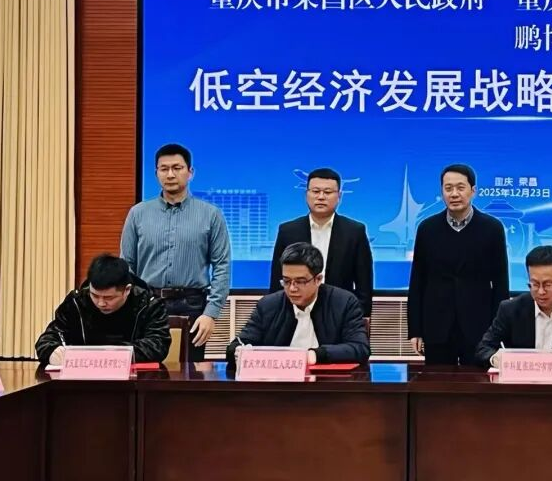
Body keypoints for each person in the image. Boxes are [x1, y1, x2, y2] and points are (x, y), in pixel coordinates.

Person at [121, 143, 231, 362]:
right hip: (147, 303)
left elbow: (222, 266)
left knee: (190, 373)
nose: (170, 174)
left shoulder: (211, 215)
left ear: (190, 172)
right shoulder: (138, 213)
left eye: (177, 168)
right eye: (164, 169)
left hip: (192, 305)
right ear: (156, 173)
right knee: (145, 368)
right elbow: (127, 265)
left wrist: (211, 313)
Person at [407, 164, 510, 365]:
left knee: (477, 382)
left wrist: (498, 331)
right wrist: (415, 329)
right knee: (436, 381)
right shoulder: (427, 229)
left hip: (478, 326)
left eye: (460, 187)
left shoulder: (492, 228)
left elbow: (500, 284)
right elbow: (417, 280)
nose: (454, 194)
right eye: (448, 188)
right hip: (436, 325)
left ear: (473, 190)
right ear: (442, 192)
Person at [227, 242, 369, 365]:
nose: (292, 288)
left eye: (300, 281)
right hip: (280, 382)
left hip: (328, 383)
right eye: (286, 281)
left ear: (318, 279)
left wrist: (315, 355)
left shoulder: (343, 303)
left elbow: (360, 348)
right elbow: (239, 343)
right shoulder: (269, 305)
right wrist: (239, 351)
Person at [268, 167, 374, 319]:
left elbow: (364, 281)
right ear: (306, 194)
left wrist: (362, 315)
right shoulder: (288, 231)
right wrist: (275, 314)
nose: (321, 197)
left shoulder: (354, 231)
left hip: (340, 313)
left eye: (328, 192)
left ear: (339, 196)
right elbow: (277, 278)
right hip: (295, 312)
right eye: (316, 191)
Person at [35, 254, 170, 365]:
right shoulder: (77, 302)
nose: (101, 303)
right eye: (94, 295)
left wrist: (110, 354)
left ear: (127, 290)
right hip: (82, 381)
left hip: (134, 382)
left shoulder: (149, 305)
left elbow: (158, 345)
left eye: (109, 298)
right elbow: (48, 339)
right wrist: (52, 351)